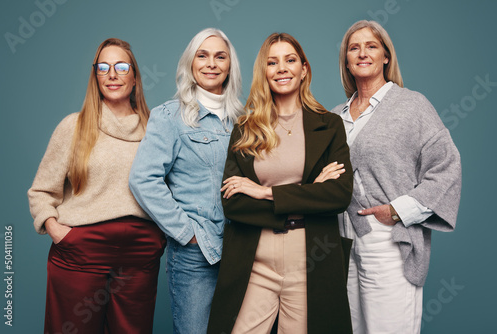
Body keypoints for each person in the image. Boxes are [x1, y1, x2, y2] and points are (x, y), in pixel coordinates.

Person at [207, 32, 354, 334]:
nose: (282, 68)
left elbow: (338, 195)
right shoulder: (246, 128)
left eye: (290, 60)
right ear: (264, 72)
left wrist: (265, 192)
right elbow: (233, 202)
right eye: (272, 63)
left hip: (309, 259)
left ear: (304, 69)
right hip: (254, 258)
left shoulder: (329, 125)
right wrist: (308, 193)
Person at [331, 20, 462, 334]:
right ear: (346, 60)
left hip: (387, 240)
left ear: (386, 56)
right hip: (341, 243)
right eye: (354, 47)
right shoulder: (335, 116)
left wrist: (397, 210)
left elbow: (447, 168)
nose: (362, 53)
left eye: (371, 46)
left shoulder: (411, 106)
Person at [28, 38, 165, 333]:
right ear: (96, 76)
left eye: (121, 66)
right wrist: (57, 230)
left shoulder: (157, 130)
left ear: (135, 76)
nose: (112, 74)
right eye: (103, 67)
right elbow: (41, 191)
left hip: (139, 255)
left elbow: (171, 189)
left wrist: (158, 238)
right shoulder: (74, 126)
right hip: (80, 252)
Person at [129, 28, 243, 334]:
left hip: (242, 250)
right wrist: (186, 233)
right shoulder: (170, 116)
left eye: (220, 56)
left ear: (230, 65)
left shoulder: (245, 120)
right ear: (190, 64)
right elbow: (143, 179)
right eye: (202, 56)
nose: (211, 64)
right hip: (196, 256)